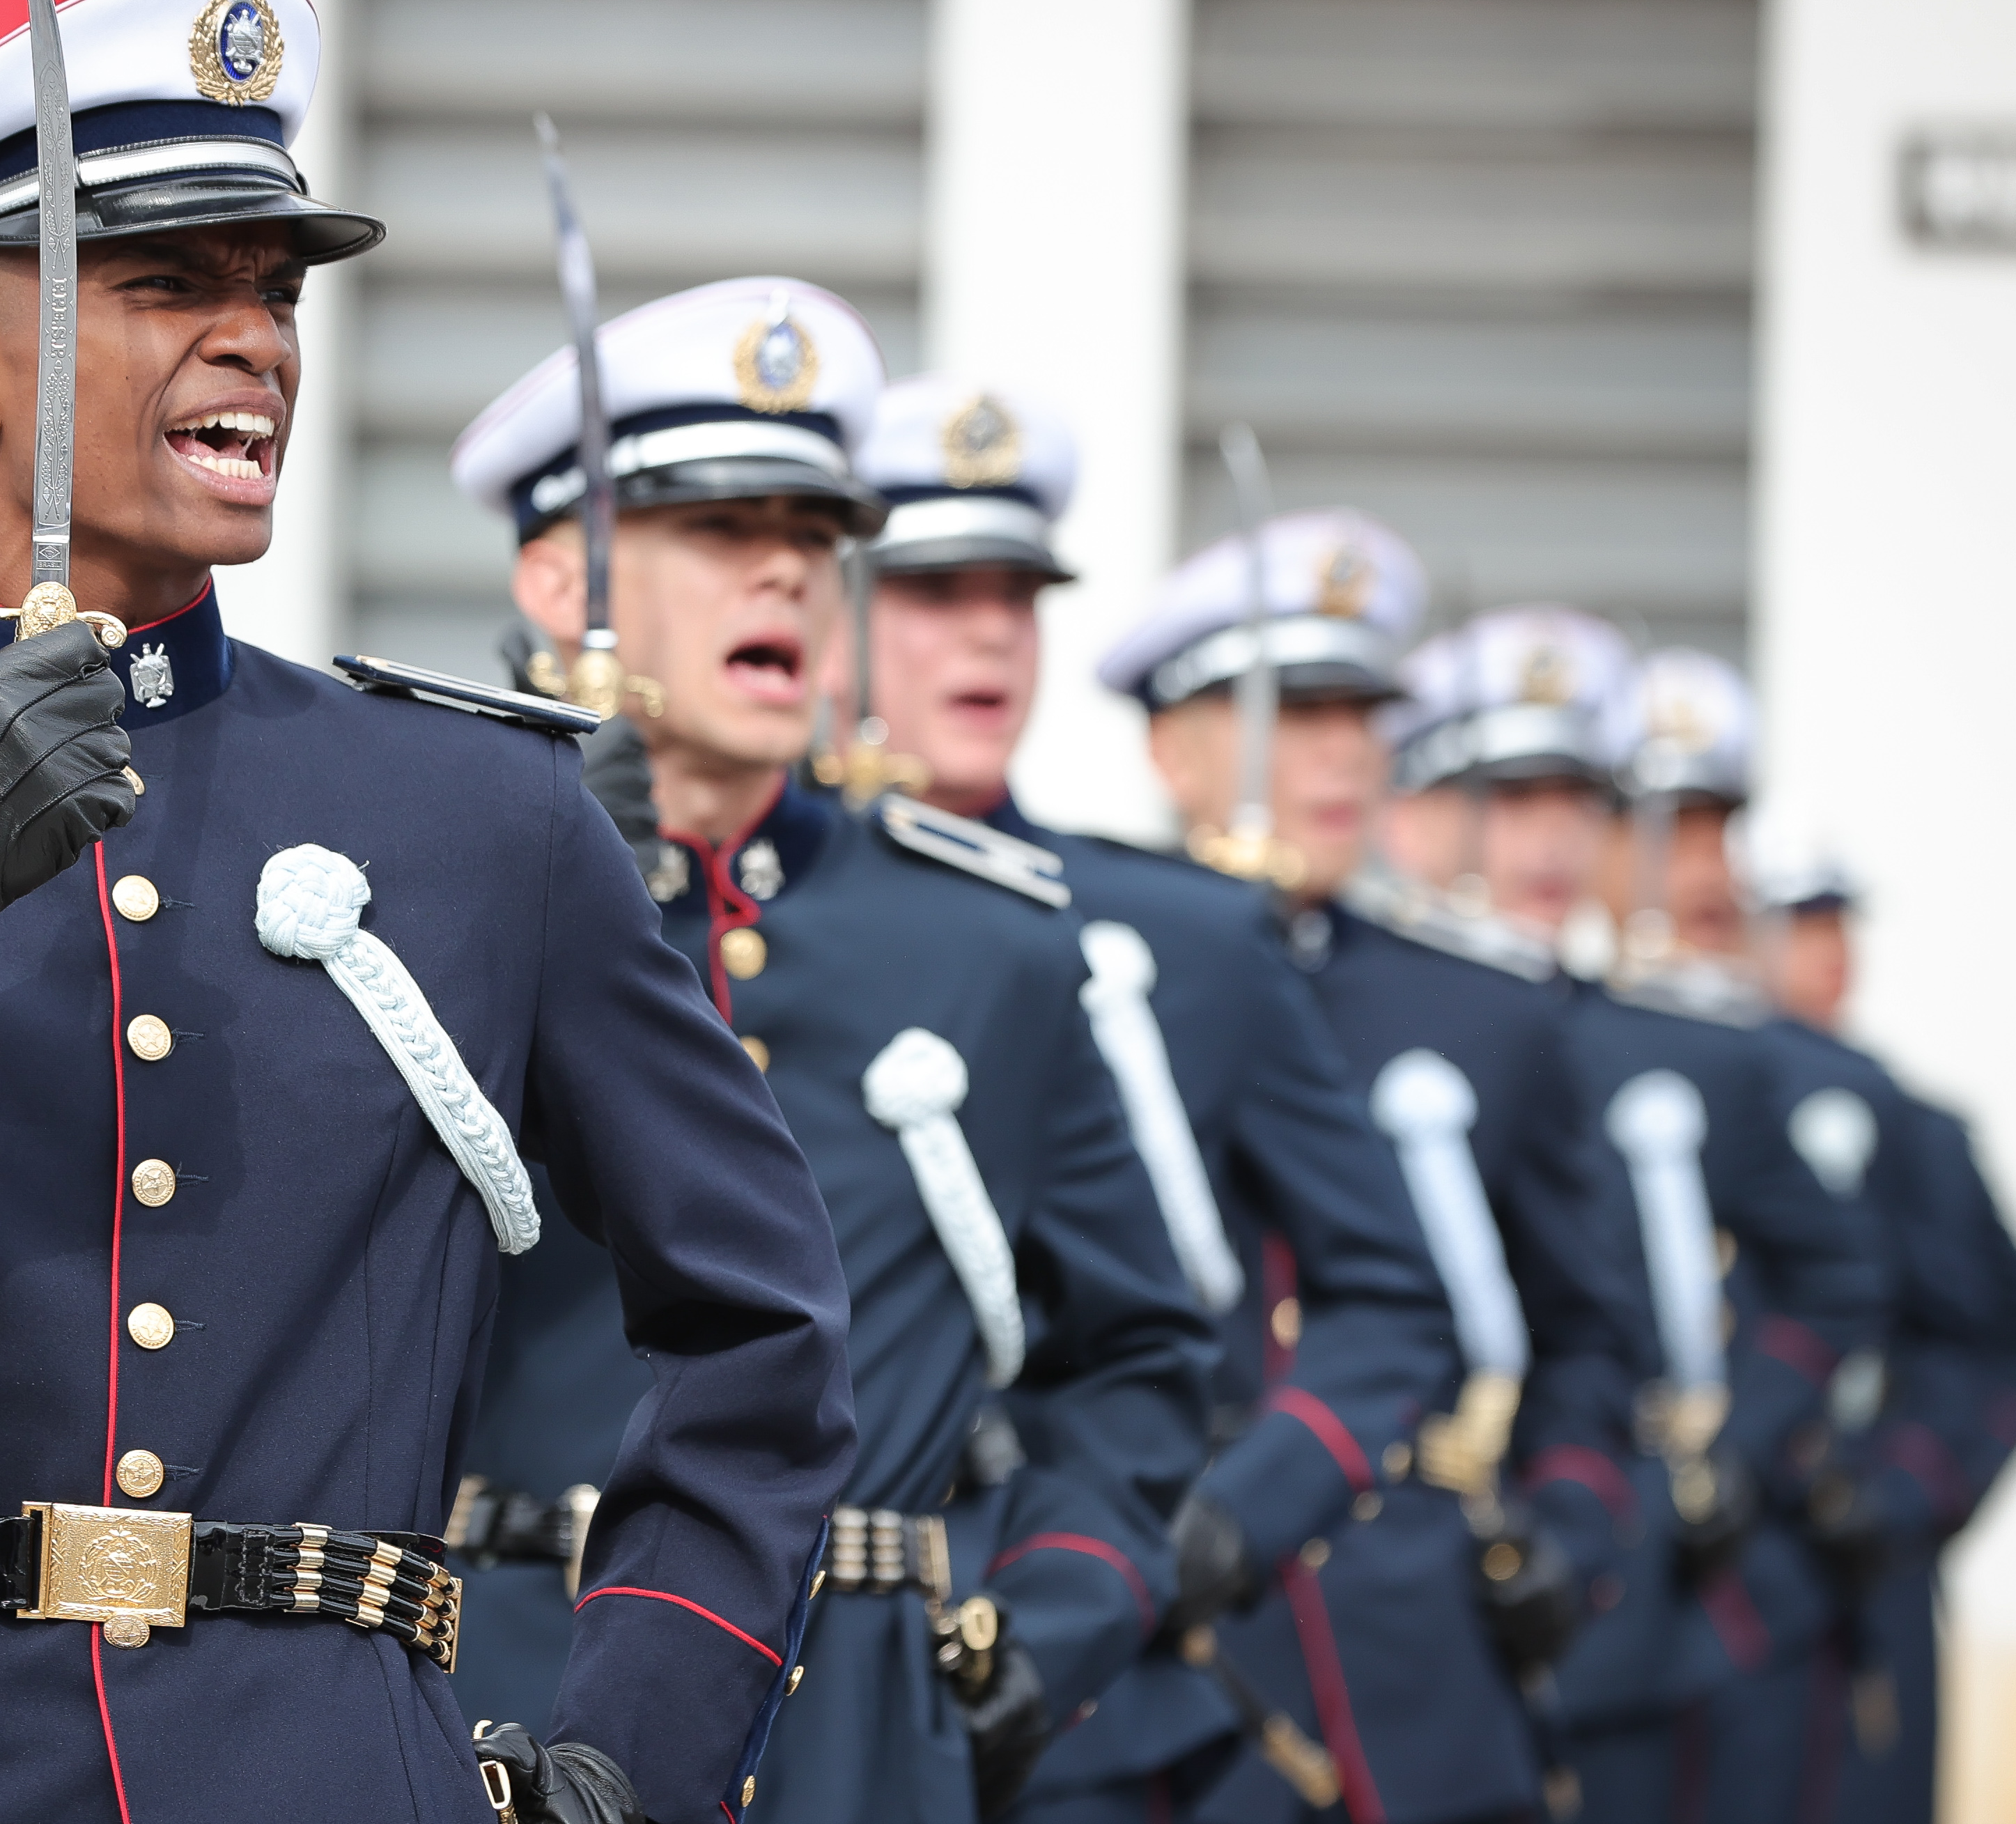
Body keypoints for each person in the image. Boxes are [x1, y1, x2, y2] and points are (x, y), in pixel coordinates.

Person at [0, 0, 854, 1824]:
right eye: (165, 284)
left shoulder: (477, 809)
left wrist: (642, 1753)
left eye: (274, 291)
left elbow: (760, 1315)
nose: (255, 342)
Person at [452, 285, 1217, 1824]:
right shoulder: (434, 892)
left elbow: (1134, 1358)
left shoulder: (985, 941)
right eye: (720, 529)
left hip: (862, 1720)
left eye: (814, 533)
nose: (787, 571)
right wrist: (546, 893)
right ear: (557, 580)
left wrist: (1045, 1626)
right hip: (512, 1685)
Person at [848, 376, 1459, 1823]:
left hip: (1082, 1660)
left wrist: (1224, 1524)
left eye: (1016, 594)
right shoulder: (707, 914)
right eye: (934, 592)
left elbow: (1387, 1295)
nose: (990, 632)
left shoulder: (1179, 936)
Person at [1117, 548, 1656, 1824]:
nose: (1339, 755)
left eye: (1361, 715)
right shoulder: (1076, 965)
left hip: (1420, 1658)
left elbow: (1588, 1339)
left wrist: (1565, 1531)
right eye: (1292, 712)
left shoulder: (1484, 1011)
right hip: (1139, 1625)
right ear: (1171, 752)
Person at [1376, 616, 1887, 1824]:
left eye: (1579, 801)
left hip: (1630, 1578)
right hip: (1398, 1576)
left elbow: (1835, 1281)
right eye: (1510, 799)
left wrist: (1726, 1455)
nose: (1552, 838)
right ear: (1422, 817)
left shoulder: (1687, 1053)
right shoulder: (1340, 1020)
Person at [1603, 660, 2013, 1824]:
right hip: (1629, 1565)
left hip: (1822, 1580)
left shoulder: (1880, 1113)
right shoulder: (1574, 1054)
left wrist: (1894, 1492)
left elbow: (1975, 1342)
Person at [1749, 835, 2016, 1824]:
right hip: (1730, 1546)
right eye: (1796, 925)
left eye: (1835, 925)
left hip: (1872, 1552)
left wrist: (1906, 1486)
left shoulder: (1912, 1128)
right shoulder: (1689, 1098)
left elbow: (1983, 1343)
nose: (1827, 951)